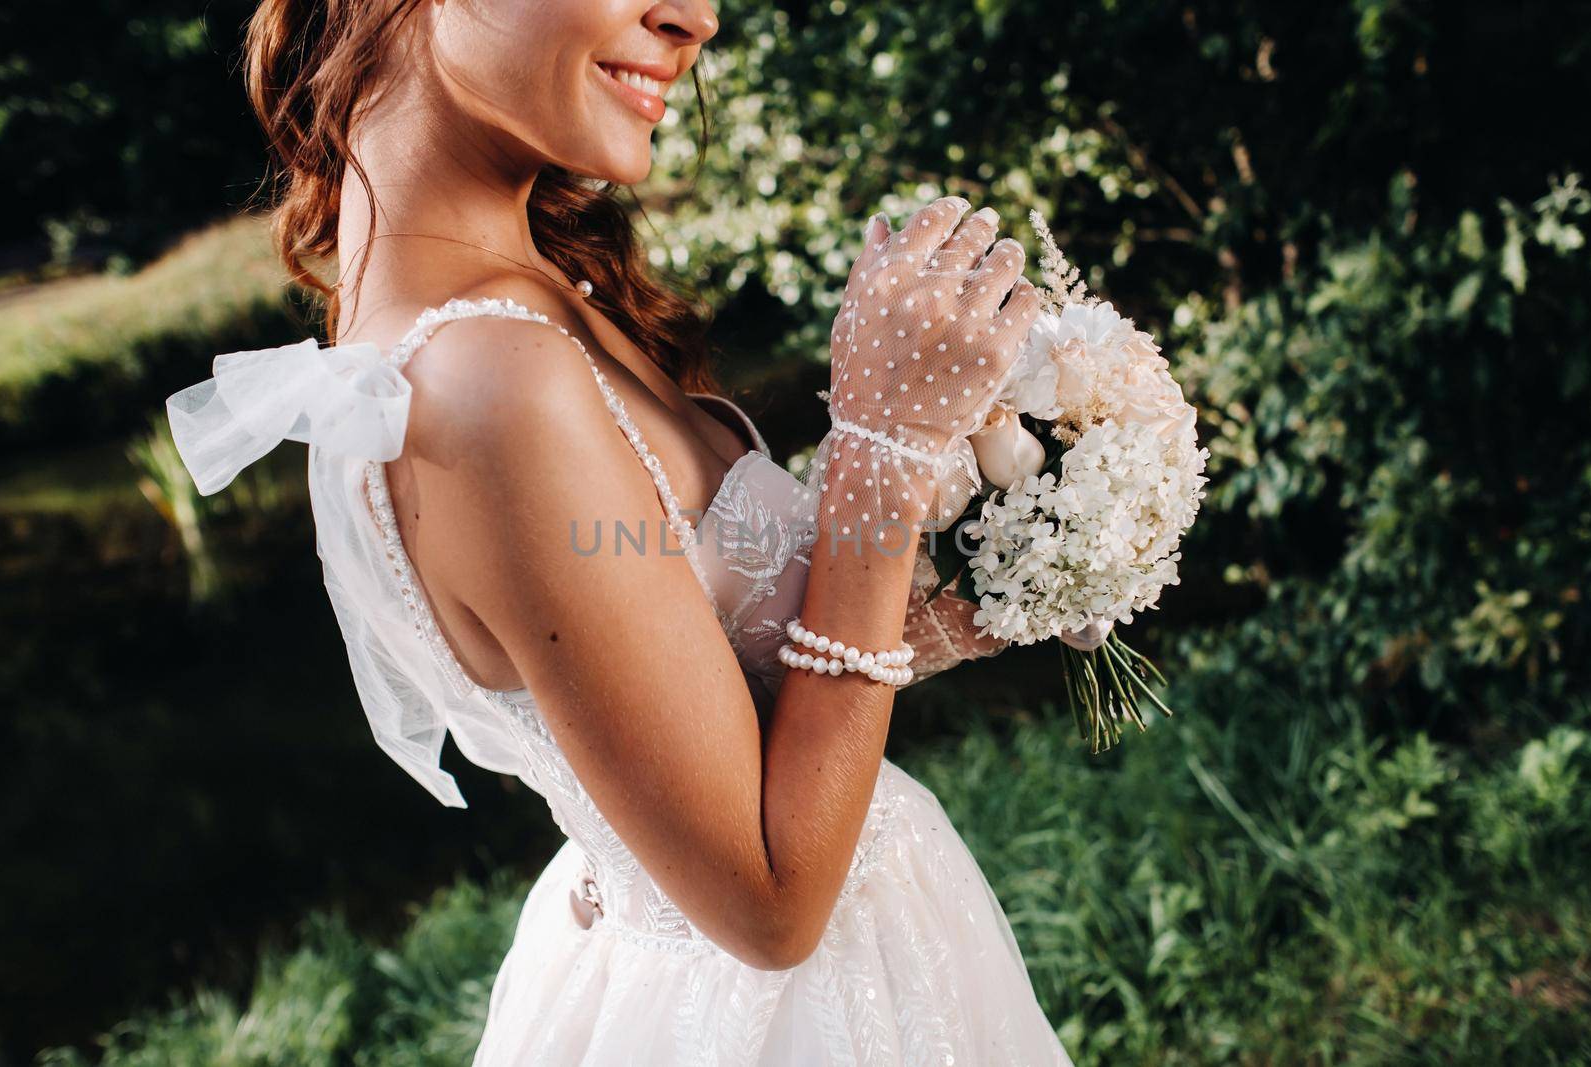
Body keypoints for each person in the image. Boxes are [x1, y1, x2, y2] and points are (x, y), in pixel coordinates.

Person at [167, 0, 1078, 1061]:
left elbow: (702, 682)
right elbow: (770, 904)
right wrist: (882, 449)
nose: (696, 18)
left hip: (867, 952)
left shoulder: (524, 297)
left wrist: (996, 579)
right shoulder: (486, 378)